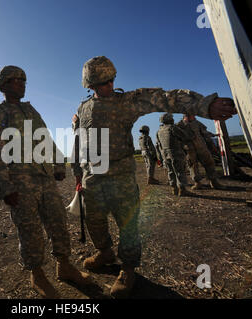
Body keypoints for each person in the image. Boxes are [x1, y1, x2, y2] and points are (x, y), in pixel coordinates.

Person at [71, 56, 236, 298]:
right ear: (90, 84)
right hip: (91, 177)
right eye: (102, 82)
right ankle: (105, 253)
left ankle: (128, 269)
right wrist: (78, 172)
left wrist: (204, 105)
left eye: (111, 80)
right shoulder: (82, 108)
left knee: (127, 225)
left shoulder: (126, 101)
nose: (108, 85)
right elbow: (79, 140)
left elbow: (166, 97)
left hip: (120, 176)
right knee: (94, 221)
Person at [0, 65, 91, 299]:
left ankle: (64, 266)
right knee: (30, 231)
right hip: (20, 182)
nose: (21, 83)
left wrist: (59, 164)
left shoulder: (30, 111)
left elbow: (47, 138)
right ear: (3, 85)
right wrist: (6, 188)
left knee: (58, 222)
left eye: (23, 80)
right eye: (15, 80)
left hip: (44, 178)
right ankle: (38, 276)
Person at [177, 113, 222, 190]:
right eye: (193, 115)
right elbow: (177, 138)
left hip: (201, 147)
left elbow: (204, 132)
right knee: (192, 166)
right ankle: (197, 183)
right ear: (186, 116)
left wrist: (213, 135)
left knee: (209, 163)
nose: (194, 117)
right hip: (189, 149)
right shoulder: (179, 125)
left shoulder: (197, 123)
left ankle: (214, 182)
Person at [156, 113, 193, 196]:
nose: (173, 119)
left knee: (170, 171)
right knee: (180, 171)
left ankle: (174, 189)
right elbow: (185, 136)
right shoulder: (172, 127)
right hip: (175, 153)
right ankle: (182, 190)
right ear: (169, 119)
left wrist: (160, 158)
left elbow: (158, 145)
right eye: (171, 118)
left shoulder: (159, 131)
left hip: (164, 154)